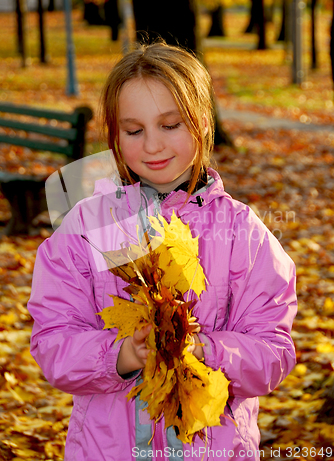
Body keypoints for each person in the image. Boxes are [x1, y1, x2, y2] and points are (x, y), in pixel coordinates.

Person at [28, 42, 297, 461]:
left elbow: (273, 351)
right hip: (107, 450)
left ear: (203, 122)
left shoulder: (244, 234)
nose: (152, 145)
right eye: (134, 131)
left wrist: (206, 351)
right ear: (115, 134)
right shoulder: (88, 227)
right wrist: (119, 355)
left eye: (170, 125)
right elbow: (53, 341)